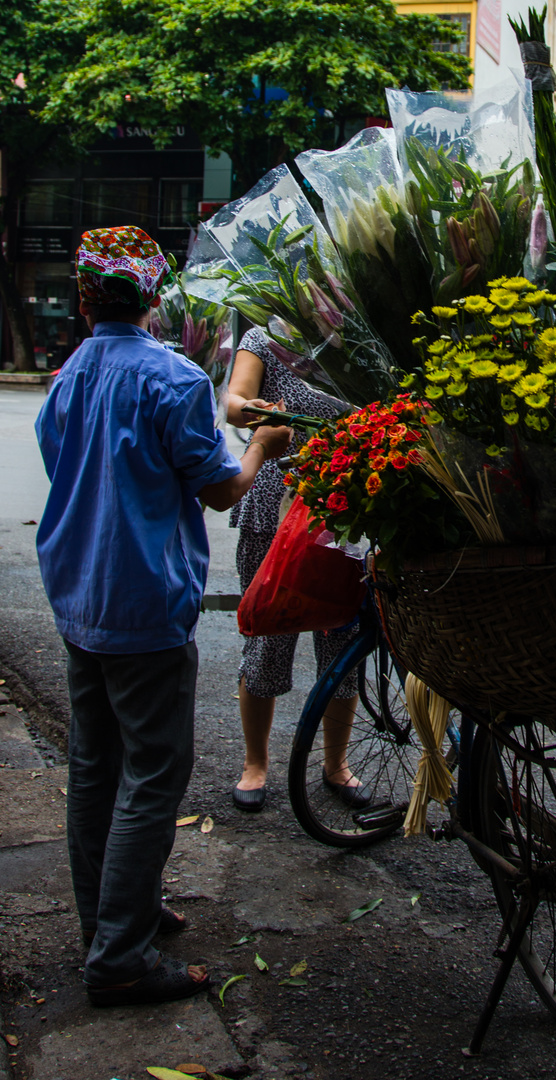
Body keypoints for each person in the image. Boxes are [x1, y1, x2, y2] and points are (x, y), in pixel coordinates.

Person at [35, 226, 292, 1008]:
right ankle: (118, 957)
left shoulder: (66, 375)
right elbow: (218, 489)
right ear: (153, 297)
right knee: (152, 775)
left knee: (96, 768)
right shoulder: (173, 379)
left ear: (84, 299)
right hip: (144, 605)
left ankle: (113, 917)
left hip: (79, 595)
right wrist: (265, 448)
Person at [226, 328, 371, 812]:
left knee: (343, 639)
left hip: (342, 502)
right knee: (268, 632)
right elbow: (234, 401)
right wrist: (258, 412)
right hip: (274, 504)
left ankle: (336, 764)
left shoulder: (355, 333)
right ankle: (255, 764)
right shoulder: (265, 337)